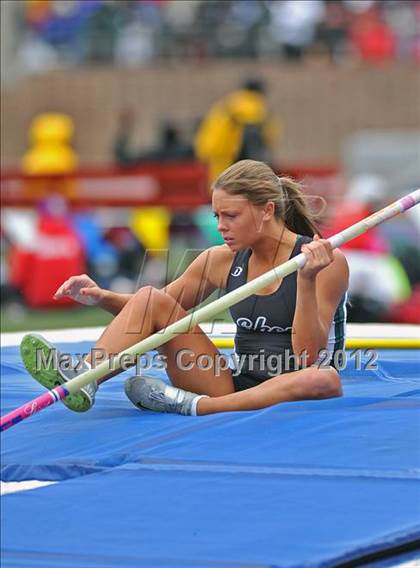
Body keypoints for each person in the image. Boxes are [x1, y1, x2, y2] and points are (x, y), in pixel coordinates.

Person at [21, 160, 349, 417]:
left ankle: (191, 406)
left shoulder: (325, 263)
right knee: (151, 297)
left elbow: (308, 357)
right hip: (229, 386)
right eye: (217, 215)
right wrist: (100, 297)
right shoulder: (220, 260)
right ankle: (87, 378)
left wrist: (305, 281)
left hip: (296, 382)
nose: (221, 226)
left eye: (231, 216)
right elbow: (149, 312)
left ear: (267, 211)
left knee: (324, 378)